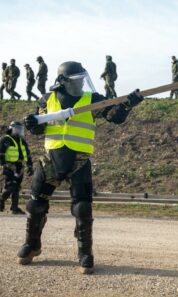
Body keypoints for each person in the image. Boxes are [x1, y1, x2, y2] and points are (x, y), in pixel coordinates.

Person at [17, 61, 143, 274]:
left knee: (82, 208)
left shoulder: (93, 100)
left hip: (79, 159)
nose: (80, 84)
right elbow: (39, 128)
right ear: (63, 81)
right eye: (76, 81)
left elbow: (115, 117)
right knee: (35, 204)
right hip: (50, 158)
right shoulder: (47, 99)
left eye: (82, 80)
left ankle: (85, 252)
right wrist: (32, 123)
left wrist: (127, 104)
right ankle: (32, 245)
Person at [0, 121, 33, 214]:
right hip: (9, 166)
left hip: (19, 167)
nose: (19, 131)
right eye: (17, 129)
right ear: (11, 129)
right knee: (12, 186)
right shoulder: (6, 139)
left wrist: (30, 166)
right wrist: (3, 164)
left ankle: (14, 208)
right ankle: (1, 200)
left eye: (20, 129)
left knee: (17, 187)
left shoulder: (22, 141)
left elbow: (28, 155)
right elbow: (0, 153)